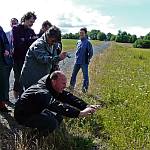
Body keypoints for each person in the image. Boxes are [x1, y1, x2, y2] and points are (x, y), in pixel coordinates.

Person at [14, 71, 100, 136]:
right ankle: (31, 139)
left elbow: (67, 96)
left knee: (58, 117)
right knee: (51, 123)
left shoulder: (50, 83)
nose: (65, 86)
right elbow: (56, 105)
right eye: (63, 83)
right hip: (23, 115)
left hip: (35, 109)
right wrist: (79, 113)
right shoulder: (43, 92)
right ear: (54, 81)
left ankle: (44, 131)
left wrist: (85, 106)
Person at [20, 26, 67, 90]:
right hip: (31, 76)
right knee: (31, 97)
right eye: (53, 41)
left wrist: (55, 65)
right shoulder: (38, 44)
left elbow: (53, 56)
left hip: (43, 76)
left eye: (56, 41)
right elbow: (43, 59)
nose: (54, 43)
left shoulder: (54, 43)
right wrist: (58, 58)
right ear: (48, 36)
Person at [12, 12, 37, 99]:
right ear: (25, 19)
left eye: (33, 22)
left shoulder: (31, 31)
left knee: (27, 78)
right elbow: (17, 44)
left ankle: (24, 98)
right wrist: (29, 40)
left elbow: (34, 43)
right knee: (18, 79)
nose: (32, 24)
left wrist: (24, 40)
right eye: (30, 21)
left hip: (28, 58)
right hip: (17, 58)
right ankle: (17, 99)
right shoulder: (16, 28)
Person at [69, 27, 93, 93]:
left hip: (84, 62)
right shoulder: (78, 42)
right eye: (80, 33)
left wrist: (88, 59)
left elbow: (91, 53)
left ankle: (84, 90)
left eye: (82, 33)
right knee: (73, 75)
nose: (81, 34)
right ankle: (71, 87)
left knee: (85, 77)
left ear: (85, 34)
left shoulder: (88, 43)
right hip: (77, 62)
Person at [0, 26, 12, 112]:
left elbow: (6, 42)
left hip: (2, 60)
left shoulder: (0, 29)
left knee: (3, 83)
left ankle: (2, 105)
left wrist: (7, 50)